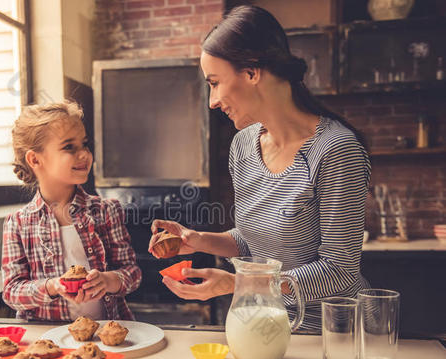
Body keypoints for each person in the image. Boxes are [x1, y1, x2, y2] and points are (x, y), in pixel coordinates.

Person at [149, 5, 371, 331]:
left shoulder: (337, 150)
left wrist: (238, 284)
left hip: (331, 336)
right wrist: (198, 240)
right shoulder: (243, 146)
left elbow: (339, 270)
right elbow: (255, 241)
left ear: (252, 73)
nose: (212, 101)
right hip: (267, 325)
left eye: (214, 82)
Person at [2, 100, 141, 321]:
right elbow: (11, 292)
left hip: (105, 335)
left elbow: (132, 274)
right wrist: (52, 286)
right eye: (69, 147)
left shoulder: (106, 210)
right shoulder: (17, 223)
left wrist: (108, 280)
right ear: (35, 159)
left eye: (84, 144)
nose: (84, 154)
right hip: (47, 343)